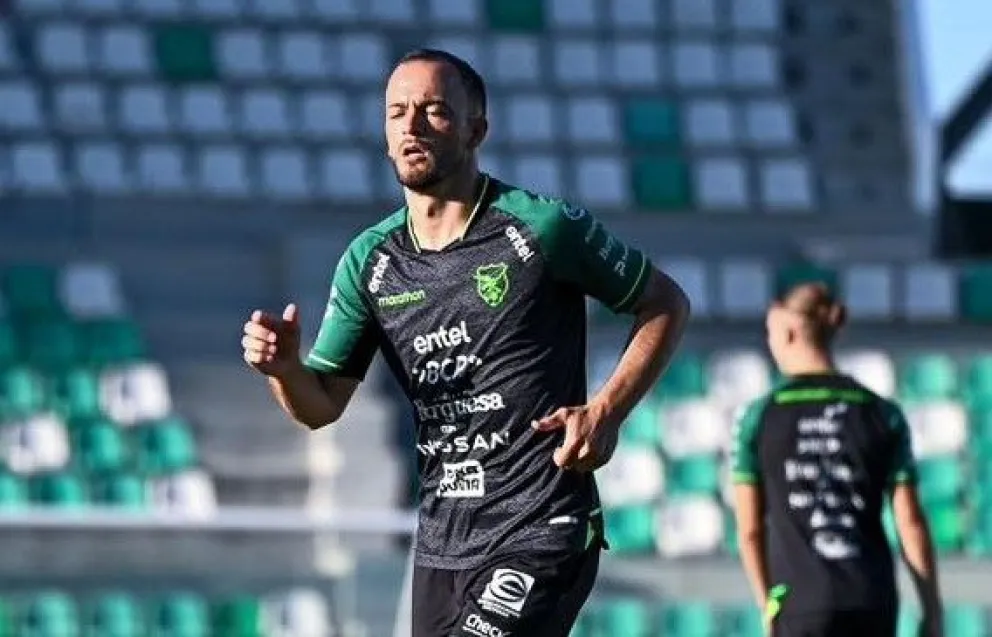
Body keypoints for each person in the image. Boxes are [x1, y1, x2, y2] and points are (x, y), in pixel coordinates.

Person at [241, 48, 690, 637]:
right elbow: (321, 405)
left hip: (541, 523)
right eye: (397, 111)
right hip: (442, 540)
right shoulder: (369, 261)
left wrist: (607, 409)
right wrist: (284, 369)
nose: (412, 125)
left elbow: (664, 302)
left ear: (476, 128)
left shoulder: (541, 227)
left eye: (434, 110)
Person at [730, 282, 943, 637]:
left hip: (799, 603)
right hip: (871, 599)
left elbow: (750, 531)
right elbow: (911, 523)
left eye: (770, 333)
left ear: (790, 333)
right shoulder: (882, 413)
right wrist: (931, 610)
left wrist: (767, 605)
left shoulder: (761, 416)